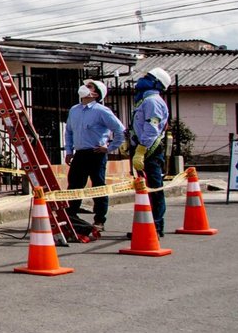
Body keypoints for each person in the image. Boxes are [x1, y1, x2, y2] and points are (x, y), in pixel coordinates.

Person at [64, 79, 126, 238]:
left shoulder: (102, 111)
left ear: (96, 93)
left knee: (98, 186)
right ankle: (72, 216)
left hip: (96, 153)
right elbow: (69, 132)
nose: (84, 87)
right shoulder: (74, 110)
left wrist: (110, 147)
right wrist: (69, 150)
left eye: (89, 86)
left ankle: (99, 219)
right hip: (80, 153)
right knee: (74, 185)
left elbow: (120, 130)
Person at [129, 67, 174, 237]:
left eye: (148, 77)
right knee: (145, 189)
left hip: (150, 150)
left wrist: (141, 149)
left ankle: (155, 226)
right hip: (142, 147)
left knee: (154, 189)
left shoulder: (152, 101)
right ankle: (146, 226)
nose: (142, 79)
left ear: (156, 83)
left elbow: (151, 127)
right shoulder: (143, 100)